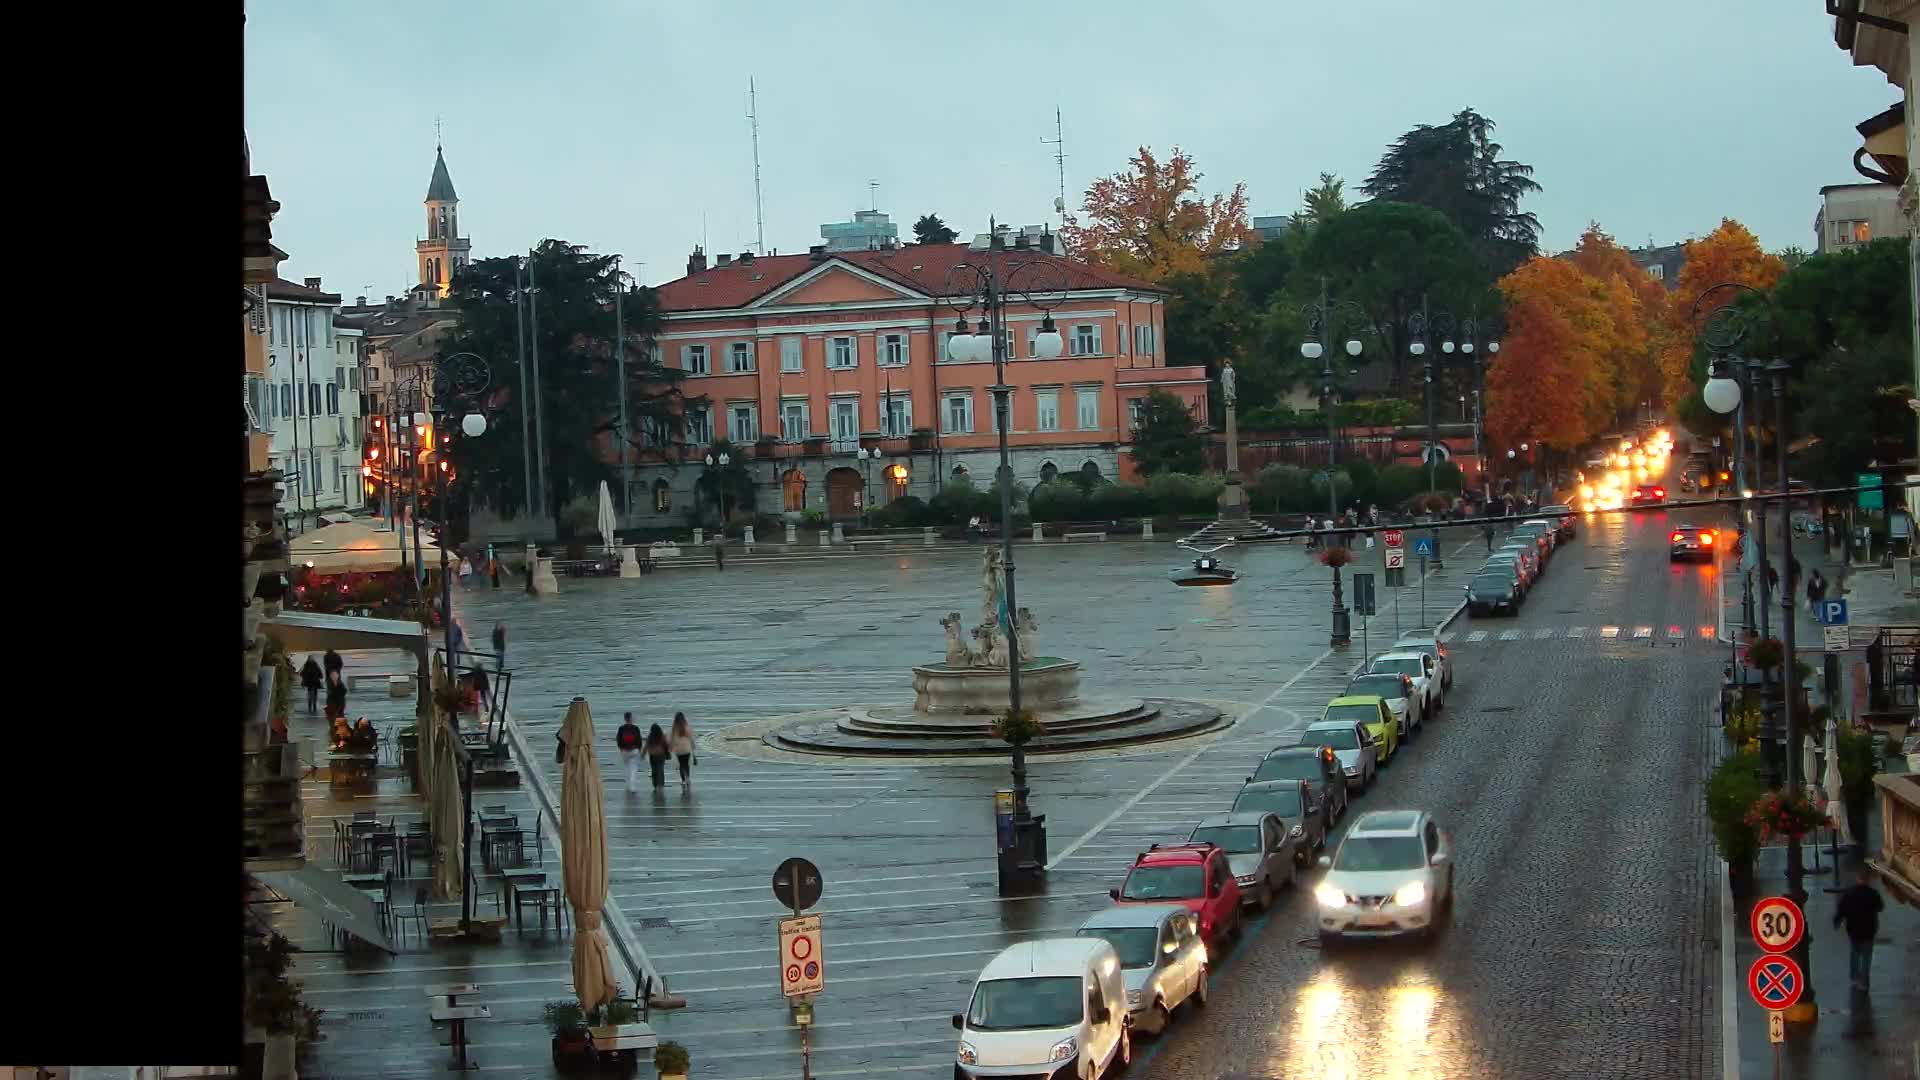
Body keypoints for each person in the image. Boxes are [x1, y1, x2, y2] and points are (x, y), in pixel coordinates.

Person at [1833, 868, 1885, 989]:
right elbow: (1880, 907)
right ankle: (1864, 983)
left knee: (1855, 954)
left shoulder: (1849, 893)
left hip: (1853, 930)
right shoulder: (1873, 893)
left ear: (1858, 879)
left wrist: (1837, 921)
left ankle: (1854, 977)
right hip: (1869, 930)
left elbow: (1842, 910)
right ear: (1868, 880)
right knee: (1866, 958)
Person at [616, 712, 644, 792]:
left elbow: (618, 740)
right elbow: (639, 740)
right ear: (631, 718)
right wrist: (639, 749)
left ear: (625, 719)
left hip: (624, 751)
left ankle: (628, 785)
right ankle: (632, 786)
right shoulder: (635, 728)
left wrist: (621, 748)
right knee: (633, 769)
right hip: (634, 751)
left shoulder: (621, 728)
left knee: (626, 768)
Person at [671, 712, 696, 786]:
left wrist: (671, 747)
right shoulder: (686, 727)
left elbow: (672, 739)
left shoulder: (674, 728)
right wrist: (693, 746)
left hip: (678, 750)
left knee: (681, 765)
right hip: (686, 748)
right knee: (686, 765)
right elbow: (691, 738)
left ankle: (683, 780)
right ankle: (688, 778)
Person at [644, 723, 671, 790]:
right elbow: (666, 745)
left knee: (654, 770)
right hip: (661, 755)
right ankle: (661, 784)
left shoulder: (650, 736)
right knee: (660, 770)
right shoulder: (662, 736)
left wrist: (643, 754)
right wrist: (668, 753)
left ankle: (655, 784)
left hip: (653, 755)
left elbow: (646, 746)